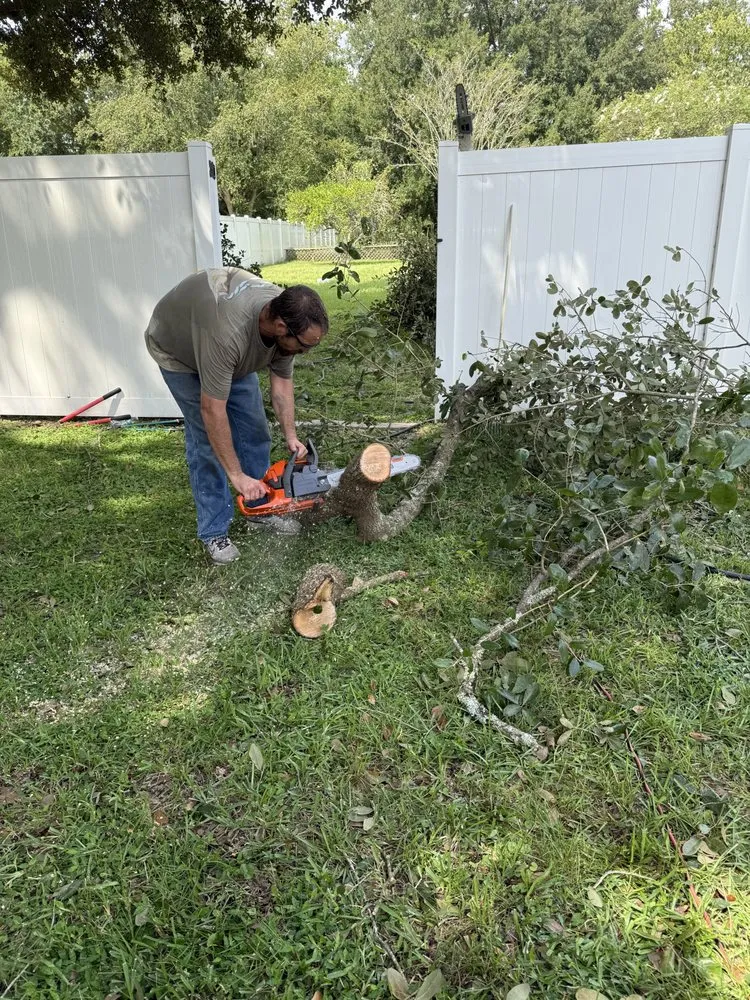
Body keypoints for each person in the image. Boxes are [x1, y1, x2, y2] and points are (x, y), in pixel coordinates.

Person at [144, 267, 328, 563]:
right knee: (207, 443)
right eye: (304, 346)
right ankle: (214, 531)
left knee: (254, 429)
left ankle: (260, 508)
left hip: (230, 349)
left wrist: (291, 435)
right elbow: (212, 410)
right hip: (179, 350)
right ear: (281, 327)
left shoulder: (283, 319)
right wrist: (236, 475)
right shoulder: (226, 336)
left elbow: (281, 385)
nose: (305, 352)